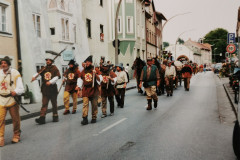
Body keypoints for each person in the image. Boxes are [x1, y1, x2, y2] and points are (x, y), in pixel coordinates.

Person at [0, 57, 24, 146]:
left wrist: (16, 91)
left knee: (15, 119)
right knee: (0, 119)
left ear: (9, 64)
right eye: (2, 63)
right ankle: (0, 138)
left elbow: (21, 88)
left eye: (5, 63)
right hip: (1, 99)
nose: (3, 65)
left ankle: (16, 134)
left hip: (12, 99)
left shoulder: (15, 73)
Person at [32, 53, 61, 124]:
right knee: (44, 104)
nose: (47, 61)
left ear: (51, 61)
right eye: (46, 60)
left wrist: (50, 82)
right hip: (45, 89)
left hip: (52, 89)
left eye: (48, 60)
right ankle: (42, 118)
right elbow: (39, 75)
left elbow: (57, 77)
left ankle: (55, 116)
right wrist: (34, 77)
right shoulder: (44, 68)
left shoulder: (55, 68)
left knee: (54, 103)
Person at [77, 55, 102, 125]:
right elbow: (80, 79)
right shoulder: (83, 71)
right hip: (85, 89)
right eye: (86, 62)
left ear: (91, 63)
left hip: (93, 90)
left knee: (94, 105)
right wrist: (79, 88)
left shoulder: (96, 69)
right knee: (85, 104)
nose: (87, 63)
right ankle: (85, 118)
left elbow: (100, 79)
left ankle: (94, 117)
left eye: (88, 62)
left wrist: (95, 74)